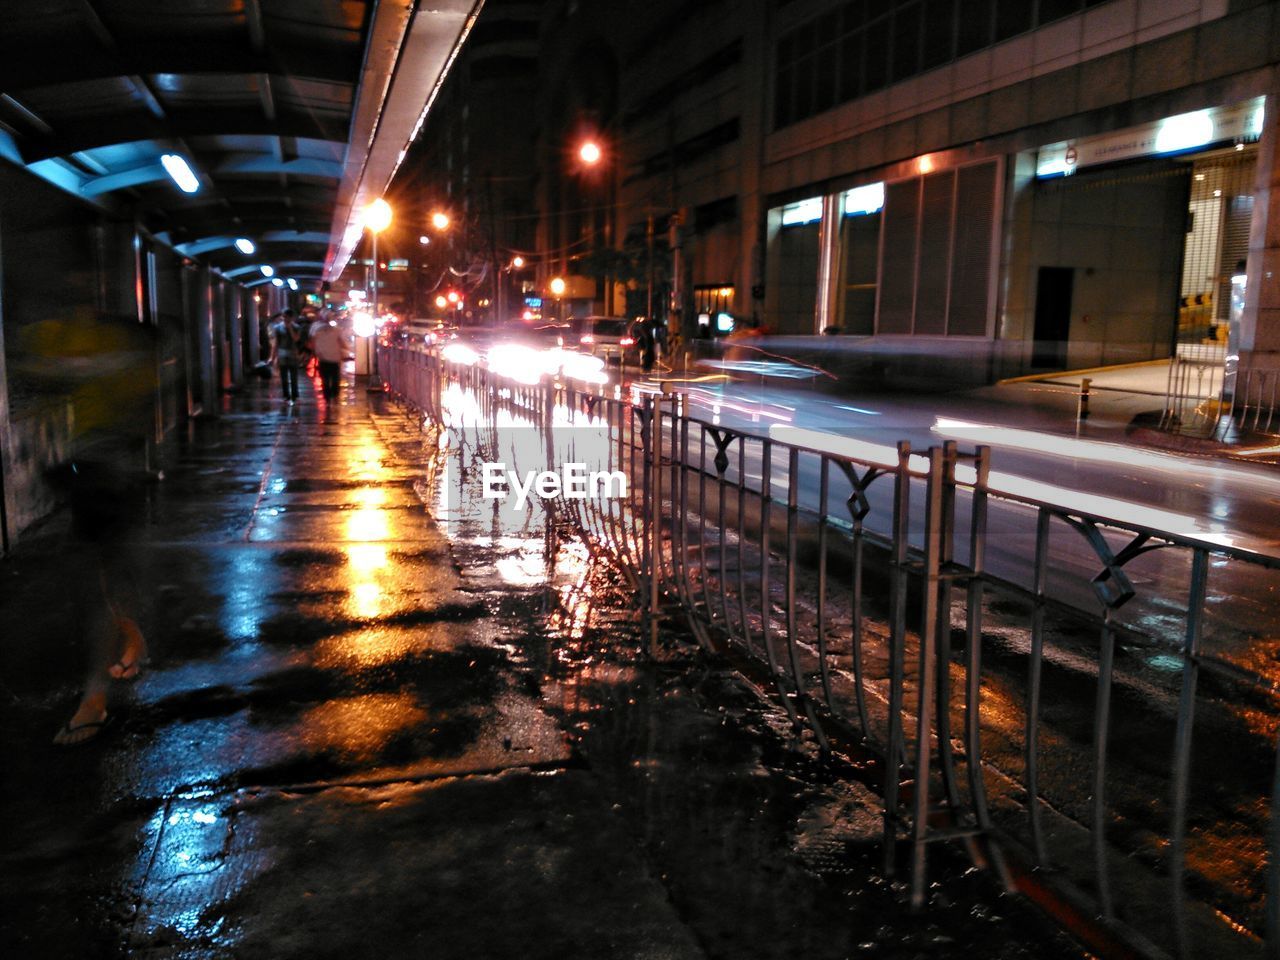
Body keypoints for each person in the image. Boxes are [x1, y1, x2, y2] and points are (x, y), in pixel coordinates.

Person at [308, 312, 350, 401]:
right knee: (335, 378)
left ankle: (327, 397)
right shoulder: (337, 331)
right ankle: (334, 395)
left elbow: (312, 343)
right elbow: (343, 343)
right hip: (334, 358)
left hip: (323, 358)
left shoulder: (316, 330)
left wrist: (315, 352)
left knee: (325, 378)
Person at [268, 309, 304, 402]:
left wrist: (290, 328)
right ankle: (286, 396)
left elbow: (296, 339)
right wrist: (272, 357)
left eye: (287, 317)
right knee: (283, 377)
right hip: (282, 354)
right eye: (283, 317)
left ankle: (295, 396)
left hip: (293, 354)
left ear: (291, 318)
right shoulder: (278, 328)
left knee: (293, 376)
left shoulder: (296, 327)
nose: (285, 319)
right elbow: (276, 343)